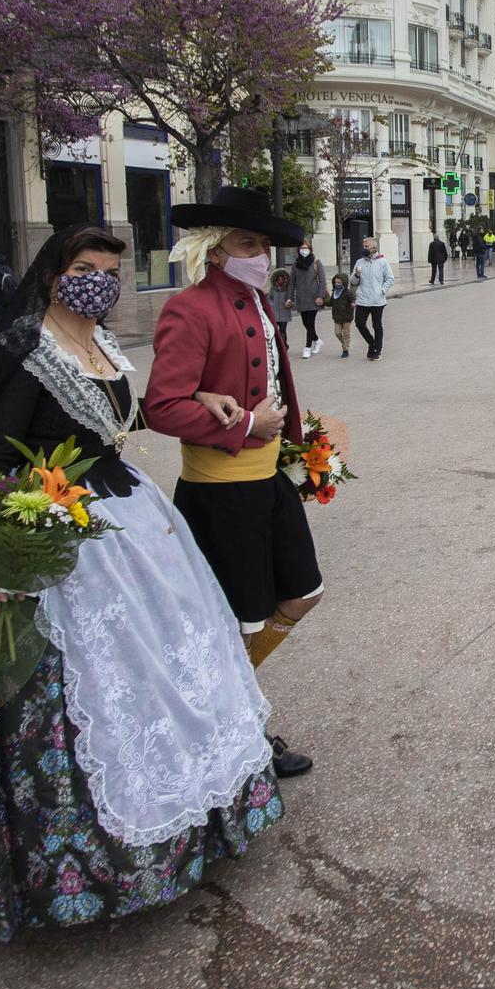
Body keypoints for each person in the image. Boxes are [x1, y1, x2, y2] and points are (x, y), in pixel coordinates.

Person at [0, 223, 281, 942]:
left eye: (110, 272)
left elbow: (112, 418)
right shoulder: (28, 349)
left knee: (167, 665)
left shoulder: (103, 345)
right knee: (73, 698)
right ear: (54, 274)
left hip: (130, 523)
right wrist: (27, 533)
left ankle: (194, 819)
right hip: (57, 532)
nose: (99, 283)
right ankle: (56, 865)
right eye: (86, 269)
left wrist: (204, 399)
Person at [144, 188, 328, 781]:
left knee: (304, 591)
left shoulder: (255, 302)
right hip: (219, 493)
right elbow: (161, 407)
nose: (260, 253)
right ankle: (236, 723)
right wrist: (248, 423)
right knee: (237, 619)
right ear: (215, 249)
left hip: (267, 479)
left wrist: (299, 451)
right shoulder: (189, 309)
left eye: (264, 243)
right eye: (248, 243)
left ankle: (225, 704)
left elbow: (277, 387)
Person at [351, 236, 394, 360]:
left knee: (377, 325)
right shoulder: (360, 262)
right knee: (359, 323)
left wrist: (382, 290)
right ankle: (372, 343)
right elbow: (352, 281)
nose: (363, 248)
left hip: (377, 300)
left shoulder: (382, 262)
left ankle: (377, 350)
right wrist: (356, 274)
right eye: (363, 246)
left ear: (374, 248)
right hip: (362, 300)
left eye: (366, 246)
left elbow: (390, 278)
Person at [293, 241, 327, 358]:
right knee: (305, 322)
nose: (303, 250)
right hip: (301, 298)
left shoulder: (316, 263)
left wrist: (320, 296)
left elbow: (322, 280)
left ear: (310, 249)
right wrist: (289, 298)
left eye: (306, 248)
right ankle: (317, 340)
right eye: (301, 248)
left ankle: (307, 347)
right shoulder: (295, 264)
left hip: (313, 298)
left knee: (310, 322)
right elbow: (292, 282)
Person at [326, 273, 356, 356]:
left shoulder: (347, 292)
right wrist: (323, 302)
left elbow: (353, 298)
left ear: (344, 283)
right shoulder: (334, 292)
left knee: (346, 334)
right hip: (337, 317)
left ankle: (345, 350)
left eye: (339, 283)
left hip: (347, 317)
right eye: (335, 283)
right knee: (337, 333)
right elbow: (331, 302)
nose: (337, 284)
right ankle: (344, 344)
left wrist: (353, 303)